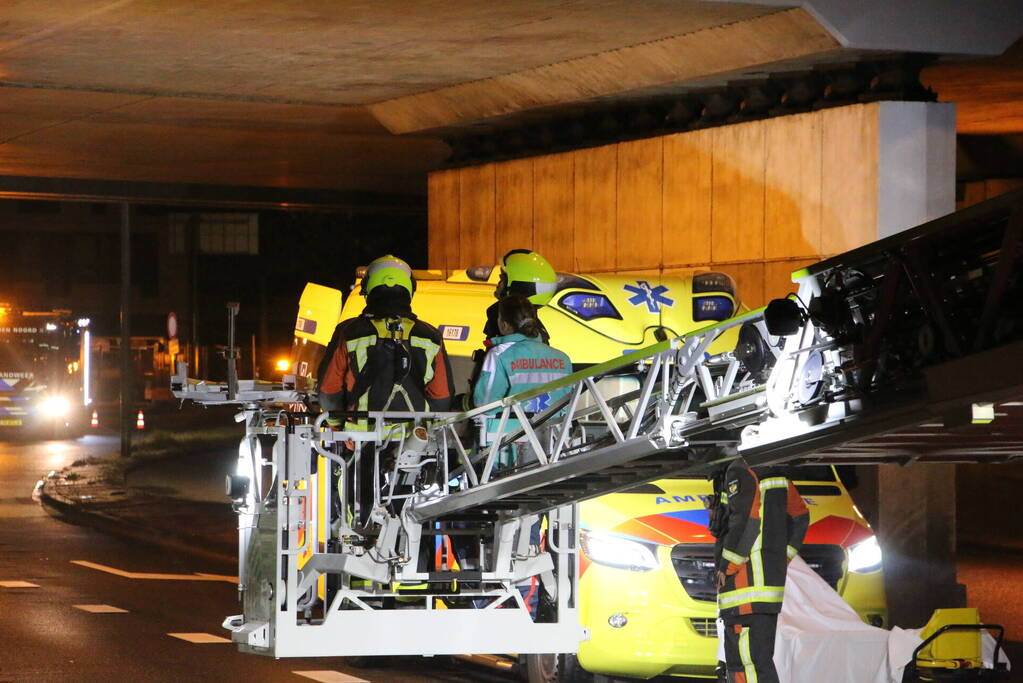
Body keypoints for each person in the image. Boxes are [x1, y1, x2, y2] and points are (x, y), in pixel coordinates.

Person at [317, 255, 454, 525]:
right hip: (413, 442)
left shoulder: (351, 332)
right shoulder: (429, 336)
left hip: (362, 440)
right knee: (412, 512)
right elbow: (442, 396)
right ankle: (411, 553)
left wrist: (336, 424)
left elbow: (329, 389)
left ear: (369, 290)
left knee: (358, 509)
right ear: (409, 290)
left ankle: (361, 541)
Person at [711, 456, 809, 683]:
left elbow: (746, 521)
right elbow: (800, 517)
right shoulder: (776, 473)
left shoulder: (740, 471)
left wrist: (727, 567)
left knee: (746, 664)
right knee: (758, 662)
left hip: (745, 588)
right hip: (764, 592)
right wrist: (780, 558)